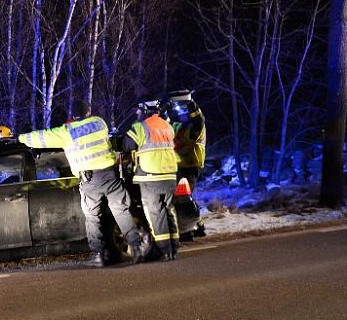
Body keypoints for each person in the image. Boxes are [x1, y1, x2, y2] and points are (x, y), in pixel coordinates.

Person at [18, 100, 145, 267]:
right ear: (89, 111)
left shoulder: (67, 132)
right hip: (110, 176)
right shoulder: (100, 123)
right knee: (121, 211)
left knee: (93, 218)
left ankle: (98, 255)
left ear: (73, 115)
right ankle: (137, 248)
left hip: (90, 181)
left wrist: (18, 137)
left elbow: (40, 137)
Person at [123, 103, 179, 261]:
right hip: (169, 175)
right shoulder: (167, 125)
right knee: (168, 211)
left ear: (145, 110)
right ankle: (174, 249)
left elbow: (127, 145)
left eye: (139, 110)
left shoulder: (141, 127)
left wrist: (134, 125)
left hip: (151, 176)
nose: (137, 113)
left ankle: (164, 251)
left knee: (155, 214)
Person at [167, 89, 207, 237]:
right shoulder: (177, 126)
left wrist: (191, 104)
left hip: (191, 165)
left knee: (184, 197)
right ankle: (198, 226)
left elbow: (198, 120)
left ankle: (190, 230)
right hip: (178, 165)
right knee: (183, 197)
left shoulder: (196, 128)